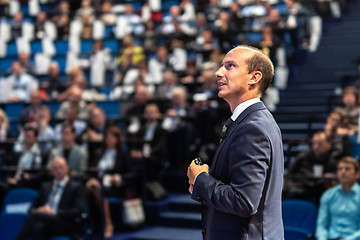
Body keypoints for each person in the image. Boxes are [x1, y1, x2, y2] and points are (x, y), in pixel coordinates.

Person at [187, 45, 284, 240]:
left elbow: (244, 201)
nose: (218, 72)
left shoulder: (252, 127)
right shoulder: (253, 121)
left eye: (230, 66)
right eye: (222, 65)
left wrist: (200, 179)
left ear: (254, 77)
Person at [14, 157, 85, 240]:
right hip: (45, 222)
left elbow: (78, 210)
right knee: (38, 227)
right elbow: (33, 207)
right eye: (55, 168)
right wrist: (39, 210)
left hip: (64, 222)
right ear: (51, 171)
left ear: (67, 168)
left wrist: (53, 211)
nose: (58, 171)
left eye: (61, 167)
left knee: (34, 217)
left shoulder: (76, 187)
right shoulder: (45, 186)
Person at [283, 131, 339, 203]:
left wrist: (330, 176)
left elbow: (337, 176)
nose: (316, 146)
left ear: (329, 145)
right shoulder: (303, 156)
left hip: (320, 192)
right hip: (300, 189)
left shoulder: (332, 160)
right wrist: (291, 187)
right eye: (314, 143)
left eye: (320, 144)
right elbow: (289, 175)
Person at [316, 156, 360, 240]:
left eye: (347, 169)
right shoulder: (328, 195)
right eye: (340, 169)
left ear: (357, 174)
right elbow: (321, 225)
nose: (343, 172)